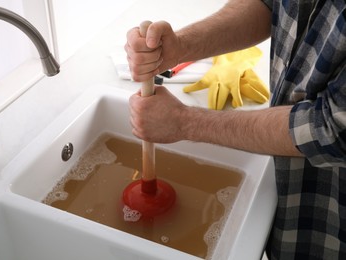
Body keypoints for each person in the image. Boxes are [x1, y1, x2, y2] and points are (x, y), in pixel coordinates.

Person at [124, 0, 346, 259]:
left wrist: (184, 122)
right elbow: (269, 4)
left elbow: (332, 128)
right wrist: (181, 46)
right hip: (289, 201)